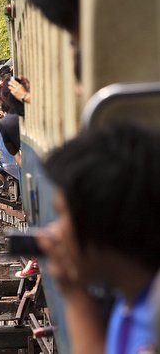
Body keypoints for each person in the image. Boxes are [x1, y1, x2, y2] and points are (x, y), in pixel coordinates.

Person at [36, 125, 160, 354]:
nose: (54, 229)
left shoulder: (153, 327)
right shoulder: (131, 302)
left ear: (99, 220)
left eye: (62, 215)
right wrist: (73, 290)